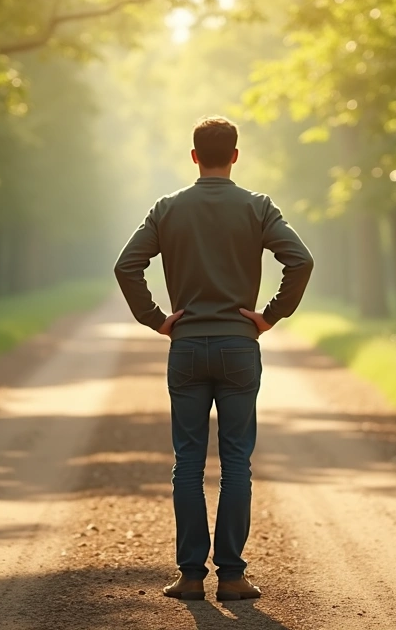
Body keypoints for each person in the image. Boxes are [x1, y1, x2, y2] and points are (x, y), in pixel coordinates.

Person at [113, 116, 314, 602]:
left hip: (186, 347)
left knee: (187, 462)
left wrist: (156, 319)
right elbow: (300, 260)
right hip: (239, 347)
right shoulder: (258, 207)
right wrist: (269, 316)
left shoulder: (167, 209)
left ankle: (189, 577)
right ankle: (232, 576)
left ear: (194, 156)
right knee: (236, 462)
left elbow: (126, 265)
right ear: (236, 156)